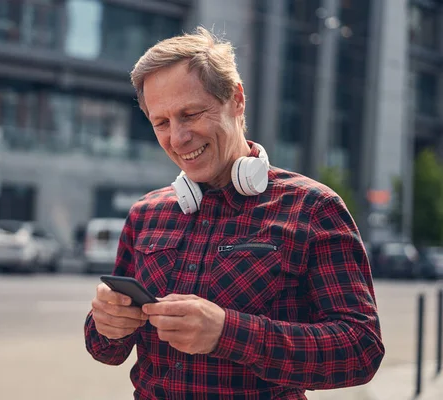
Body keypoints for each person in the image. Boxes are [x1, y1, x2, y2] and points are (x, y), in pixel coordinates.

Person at [84, 26, 384, 399]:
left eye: (190, 114)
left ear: (237, 100)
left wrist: (228, 333)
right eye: (161, 123)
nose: (177, 139)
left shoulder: (313, 208)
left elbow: (361, 350)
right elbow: (107, 351)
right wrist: (106, 324)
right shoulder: (146, 214)